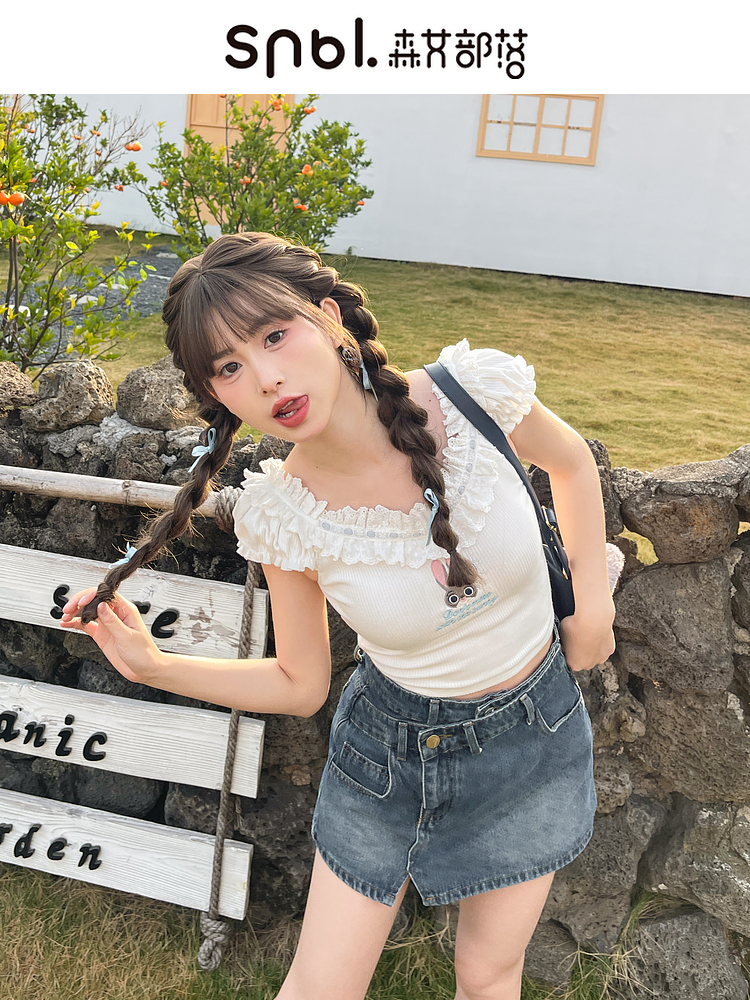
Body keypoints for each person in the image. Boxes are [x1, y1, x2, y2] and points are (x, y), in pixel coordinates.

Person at [60, 231, 616, 1000]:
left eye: (273, 335)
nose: (266, 378)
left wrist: (592, 610)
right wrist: (155, 667)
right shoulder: (286, 514)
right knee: (320, 987)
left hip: (536, 734)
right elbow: (301, 683)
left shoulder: (470, 393)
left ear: (328, 318)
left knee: (489, 975)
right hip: (387, 756)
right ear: (217, 395)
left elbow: (572, 462)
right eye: (228, 367)